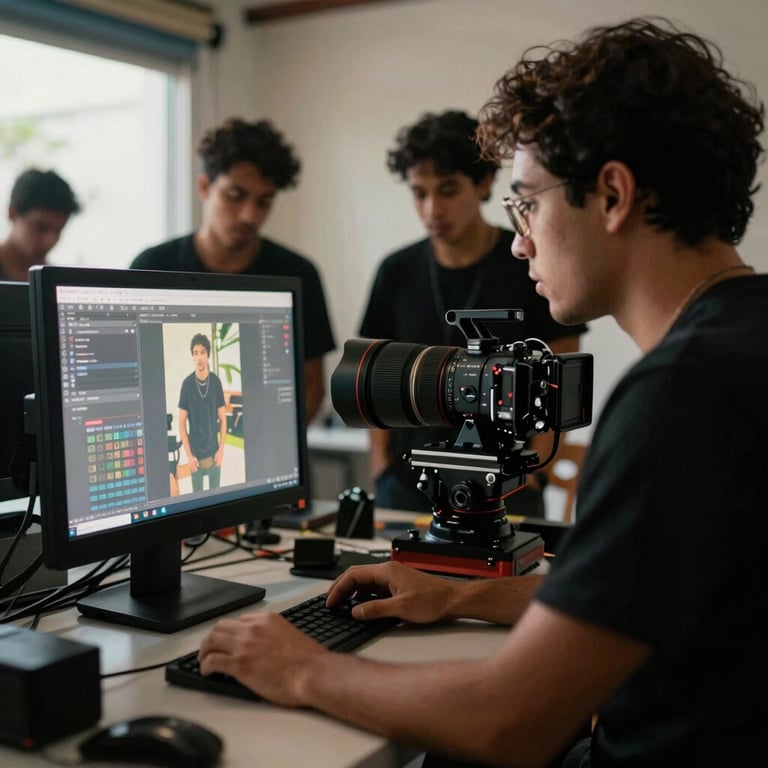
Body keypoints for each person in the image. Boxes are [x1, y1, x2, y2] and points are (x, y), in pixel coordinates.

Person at [198, 17, 768, 767]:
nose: (521, 239)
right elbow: (629, 606)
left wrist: (299, 666)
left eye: (528, 202)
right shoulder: (745, 338)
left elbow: (506, 722)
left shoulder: (680, 395)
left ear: (614, 194)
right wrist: (458, 595)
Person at [359, 109, 587, 514]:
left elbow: (562, 370)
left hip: (507, 484)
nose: (433, 210)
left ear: (482, 183)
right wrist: (380, 467)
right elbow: (371, 372)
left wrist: (537, 467)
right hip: (410, 484)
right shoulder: (397, 271)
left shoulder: (527, 260)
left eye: (447, 190)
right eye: (420, 193)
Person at [131, 118, 335, 422]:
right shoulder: (153, 267)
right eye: (235, 195)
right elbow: (136, 381)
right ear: (204, 186)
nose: (249, 216)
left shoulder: (297, 273)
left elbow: (312, 386)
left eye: (264, 201)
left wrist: (274, 444)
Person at [0, 168, 81, 281]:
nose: (50, 240)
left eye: (58, 231)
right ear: (12, 214)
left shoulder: (55, 281)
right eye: (41, 228)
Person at [178, 333, 227, 492]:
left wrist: (221, 450)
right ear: (192, 356)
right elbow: (181, 423)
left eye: (202, 352)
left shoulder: (216, 382)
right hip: (195, 457)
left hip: (214, 454)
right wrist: (189, 456)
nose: (199, 357)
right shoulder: (187, 384)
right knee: (197, 500)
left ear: (208, 355)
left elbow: (223, 419)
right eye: (196, 353)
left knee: (216, 497)